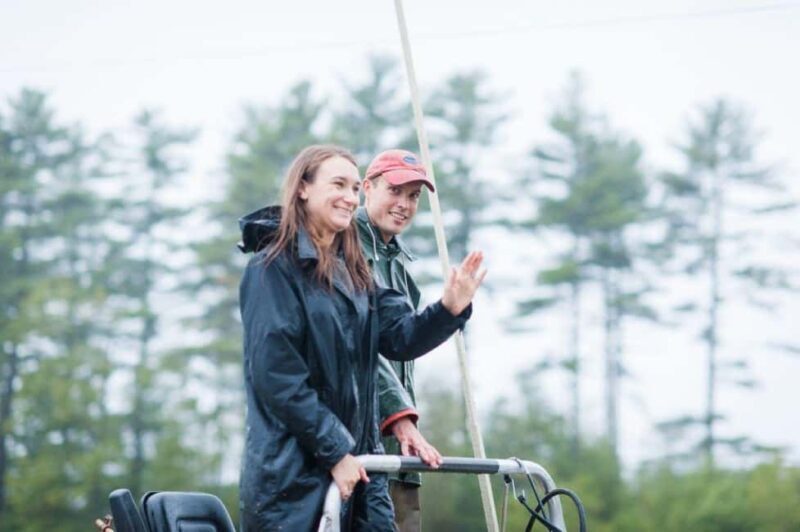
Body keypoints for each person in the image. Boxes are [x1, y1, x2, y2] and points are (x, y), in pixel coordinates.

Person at [237, 144, 486, 531]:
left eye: (354, 188)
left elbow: (401, 338)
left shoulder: (355, 273)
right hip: (293, 482)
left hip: (364, 473)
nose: (350, 197)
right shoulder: (271, 270)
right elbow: (278, 378)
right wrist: (336, 452)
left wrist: (449, 309)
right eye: (338, 184)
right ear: (303, 188)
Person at [358, 149, 440, 532]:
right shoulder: (343, 250)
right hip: (356, 453)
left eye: (413, 196)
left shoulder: (401, 269)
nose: (404, 205)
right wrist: (400, 418)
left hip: (400, 455)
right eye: (395, 191)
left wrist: (451, 311)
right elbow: (355, 347)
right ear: (367, 188)